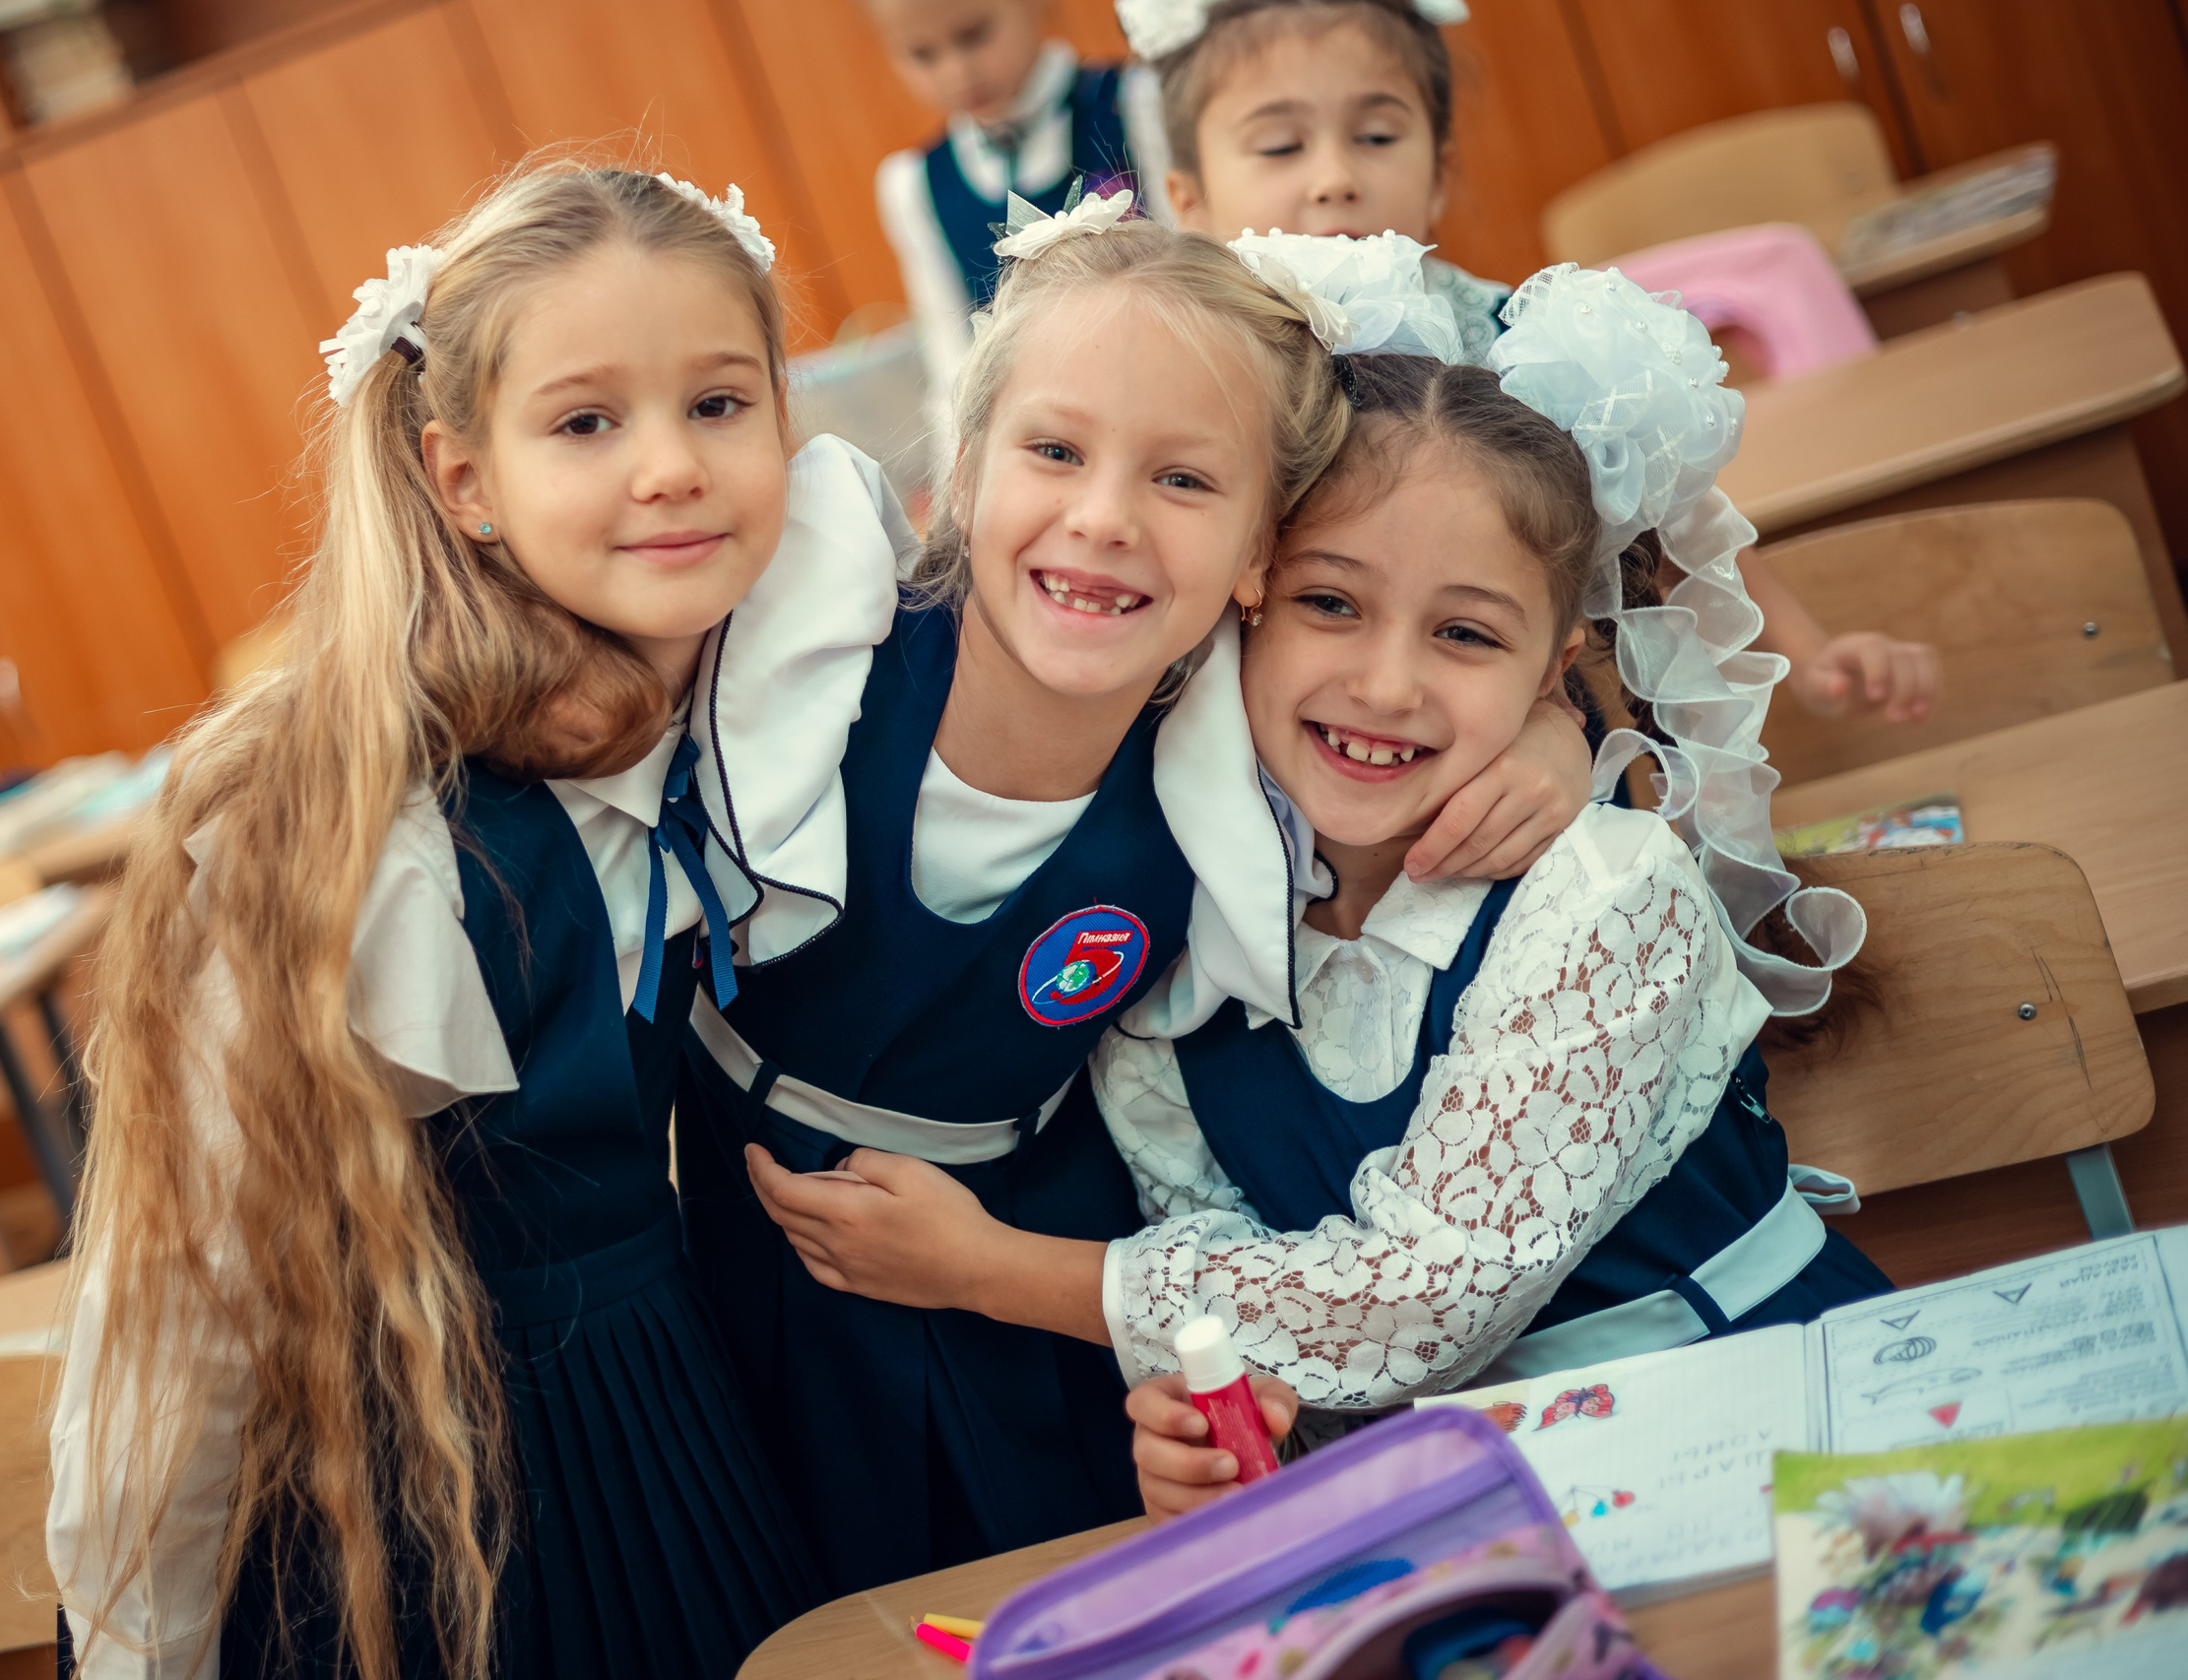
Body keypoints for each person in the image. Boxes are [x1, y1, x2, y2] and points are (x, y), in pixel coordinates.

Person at [740, 246, 1889, 1521]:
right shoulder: (1193, 918)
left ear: (1554, 669)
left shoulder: (1605, 897)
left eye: (1464, 634)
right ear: (1247, 601)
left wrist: (993, 1269)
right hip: (1449, 1501)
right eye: (1330, 603)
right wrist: (1224, 1421)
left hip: (1763, 1430)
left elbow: (1423, 1303)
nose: (1388, 684)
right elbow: (1252, 1285)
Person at [676, 197, 1595, 1597]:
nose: (1102, 521)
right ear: (968, 468)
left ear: (1256, 562)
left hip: (1030, 1263)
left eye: (1182, 481)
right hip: (739, 1249)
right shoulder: (808, 653)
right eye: (1054, 450)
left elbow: (1452, 651)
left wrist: (1558, 723)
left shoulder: (1241, 760)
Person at [44, 162, 841, 1680]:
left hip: (684, 1440)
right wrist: (135, 1650)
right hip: (442, 1525)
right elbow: (178, 1303)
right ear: (462, 479)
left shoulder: (756, 682)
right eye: (587, 421)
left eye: (722, 405)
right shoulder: (364, 832)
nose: (672, 466)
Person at [1117, 0, 1940, 727]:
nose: (1335, 178)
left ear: (1438, 173)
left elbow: (1669, 509)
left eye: (1376, 136)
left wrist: (1805, 650)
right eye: (1280, 146)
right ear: (1190, 201)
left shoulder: (1519, 334)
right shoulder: (1195, 367)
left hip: (1511, 732)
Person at [868, 0, 1168, 439]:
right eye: (922, 54)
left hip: (1163, 387)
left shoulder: (1135, 103)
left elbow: (1203, 256)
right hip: (1044, 440)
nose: (956, 72)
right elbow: (953, 362)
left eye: (974, 35)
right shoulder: (913, 184)